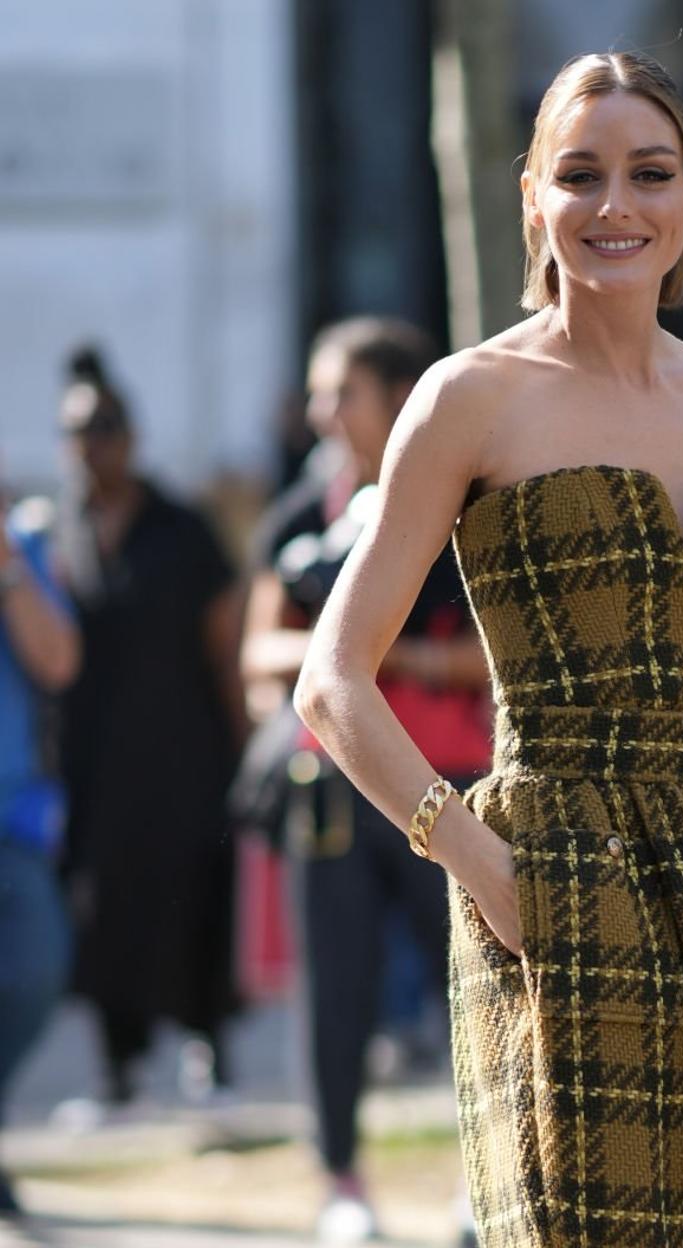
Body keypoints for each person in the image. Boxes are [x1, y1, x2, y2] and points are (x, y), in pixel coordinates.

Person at [294, 51, 683, 1248]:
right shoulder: (468, 398)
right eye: (581, 174)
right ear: (530, 200)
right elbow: (330, 679)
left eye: (649, 174)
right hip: (556, 881)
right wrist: (485, 868)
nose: (616, 206)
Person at [240, 317, 493, 1243]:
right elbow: (256, 651)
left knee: (471, 986)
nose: (319, 411)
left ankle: (484, 1178)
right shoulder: (303, 515)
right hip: (332, 787)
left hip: (451, 783)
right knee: (334, 994)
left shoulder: (469, 508)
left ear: (398, 398)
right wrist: (342, 655)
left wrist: (404, 665)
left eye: (338, 390)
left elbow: (500, 661)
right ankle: (341, 1184)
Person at [54, 347, 247, 1106]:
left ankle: (211, 1049)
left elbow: (223, 641)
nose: (89, 447)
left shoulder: (180, 527)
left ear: (130, 437)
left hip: (183, 752)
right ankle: (117, 1071)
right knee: (103, 910)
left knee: (195, 895)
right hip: (94, 761)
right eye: (75, 433)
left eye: (102, 430)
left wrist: (242, 743)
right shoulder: (60, 529)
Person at [0, 487, 79, 1218]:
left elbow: (58, 661)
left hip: (13, 822)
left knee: (36, 969)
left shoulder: (19, 551)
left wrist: (6, 568)